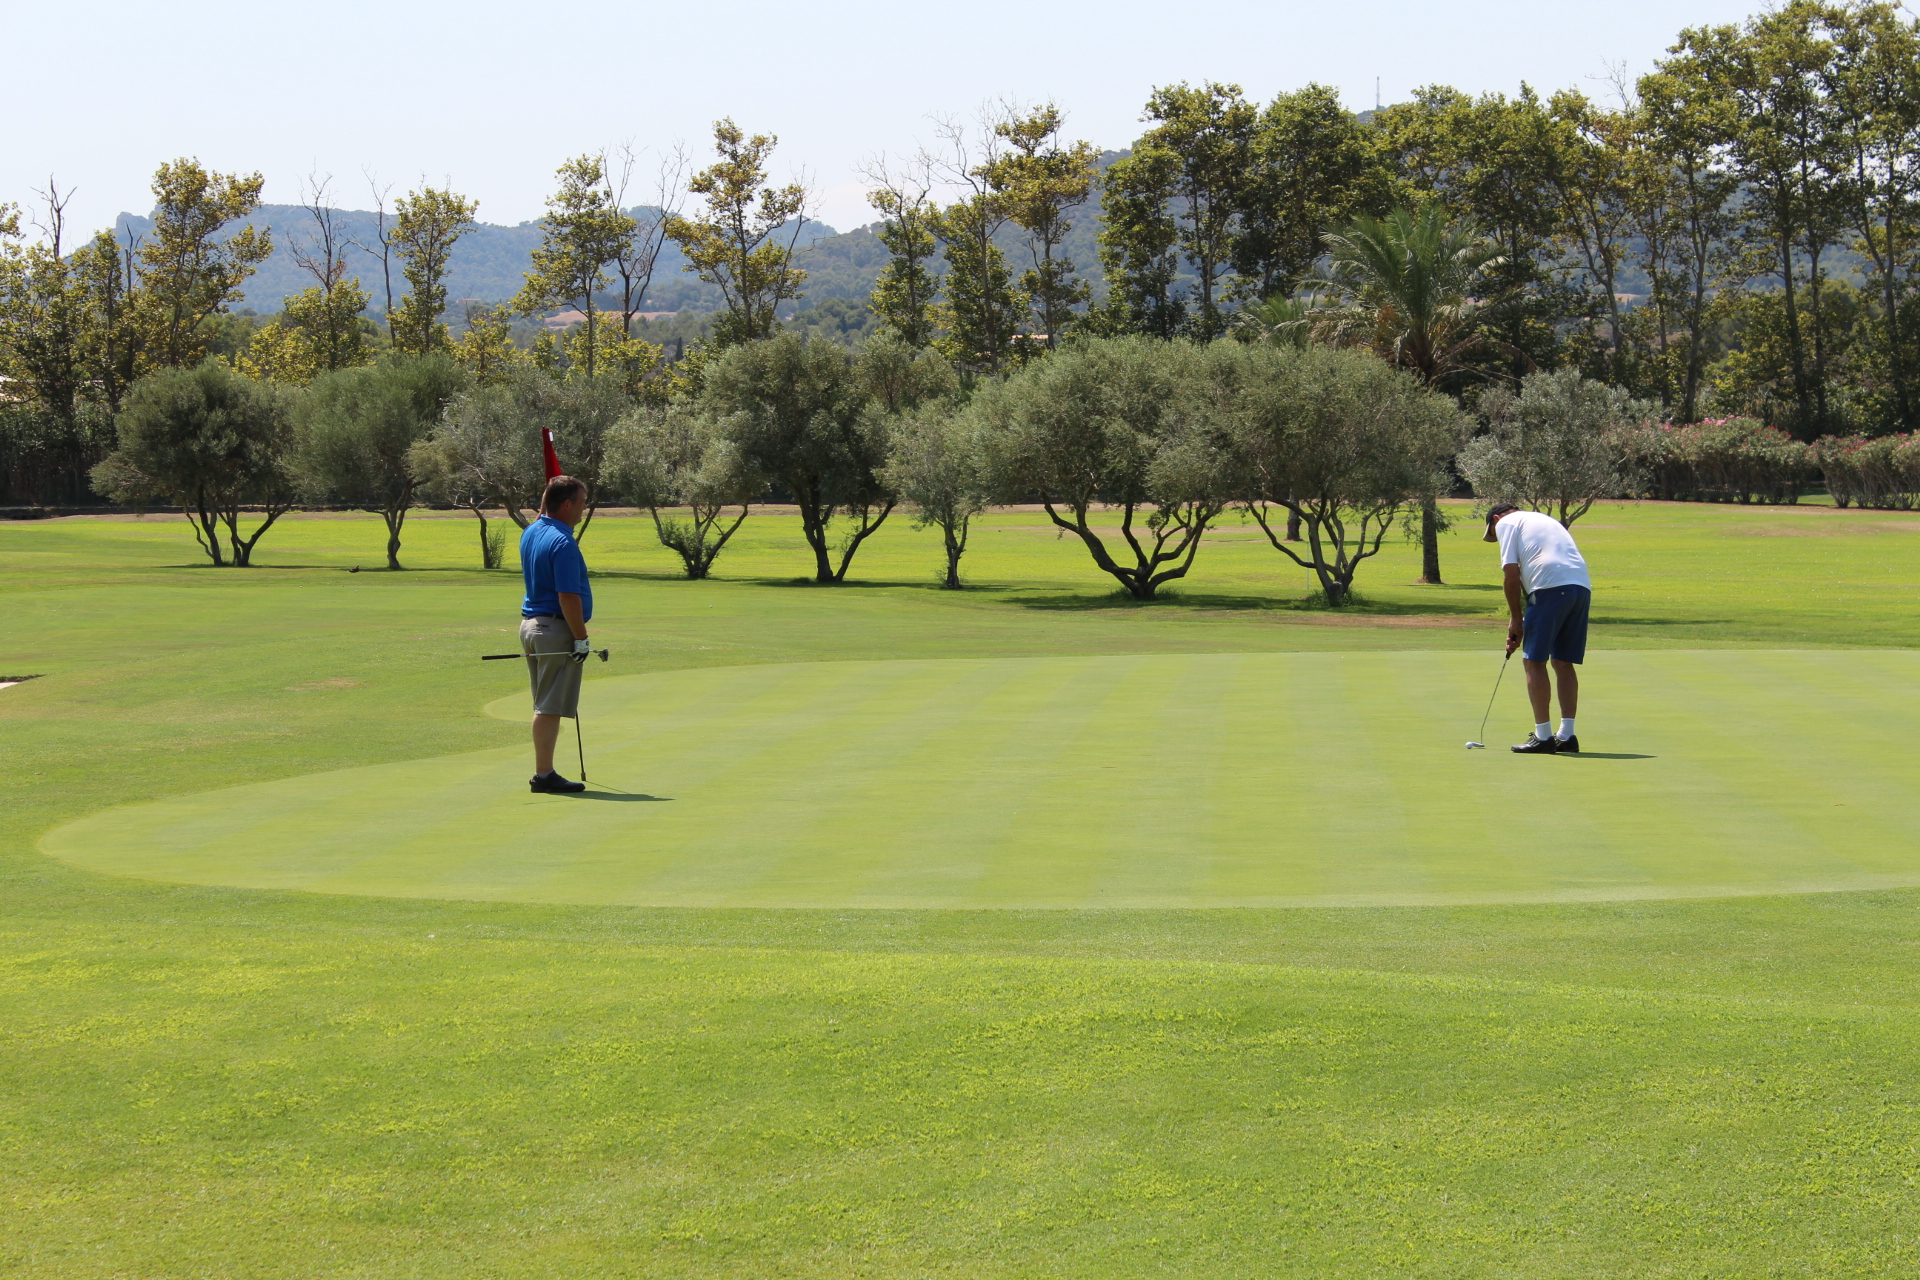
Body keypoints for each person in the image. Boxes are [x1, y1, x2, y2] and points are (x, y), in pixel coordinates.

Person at [1485, 503, 1591, 755]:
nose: (1495, 536)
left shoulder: (1507, 523)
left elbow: (1511, 575)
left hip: (1550, 587)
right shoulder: (1543, 520)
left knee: (1533, 662)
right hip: (1580, 587)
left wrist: (1515, 620)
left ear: (1496, 519)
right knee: (1563, 662)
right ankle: (1567, 736)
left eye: (1492, 532)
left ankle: (1543, 737)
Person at [519, 475, 594, 793]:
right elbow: (568, 597)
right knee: (549, 705)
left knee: (544, 701)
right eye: (581, 502)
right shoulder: (563, 543)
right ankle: (544, 774)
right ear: (566, 505)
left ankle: (544, 771)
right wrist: (581, 638)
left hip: (531, 627)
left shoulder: (533, 530)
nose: (584, 508)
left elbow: (542, 512)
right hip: (554, 629)